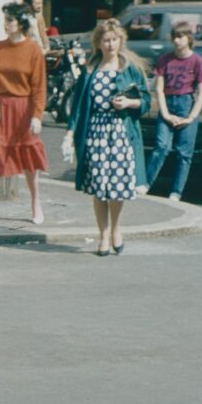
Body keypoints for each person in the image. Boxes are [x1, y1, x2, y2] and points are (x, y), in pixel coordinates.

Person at [63, 18, 150, 256]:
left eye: (114, 40)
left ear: (121, 41)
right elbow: (80, 104)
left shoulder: (129, 67)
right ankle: (102, 234)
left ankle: (116, 230)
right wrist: (70, 134)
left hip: (120, 132)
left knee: (118, 186)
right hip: (96, 132)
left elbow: (146, 101)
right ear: (98, 43)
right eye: (106, 40)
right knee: (99, 186)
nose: (111, 45)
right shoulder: (90, 70)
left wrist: (129, 102)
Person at [0, 2, 49, 233]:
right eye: (5, 20)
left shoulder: (33, 50)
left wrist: (37, 116)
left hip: (24, 110)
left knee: (29, 160)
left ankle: (35, 202)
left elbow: (40, 86)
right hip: (0, 109)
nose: (6, 24)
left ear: (21, 23)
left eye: (10, 20)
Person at [145, 22, 202, 201]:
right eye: (174, 36)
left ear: (188, 38)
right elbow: (158, 89)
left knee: (184, 153)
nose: (176, 40)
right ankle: (145, 183)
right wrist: (165, 114)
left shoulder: (198, 61)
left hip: (186, 104)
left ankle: (176, 191)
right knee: (161, 146)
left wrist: (191, 117)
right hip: (168, 103)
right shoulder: (165, 59)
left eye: (180, 36)